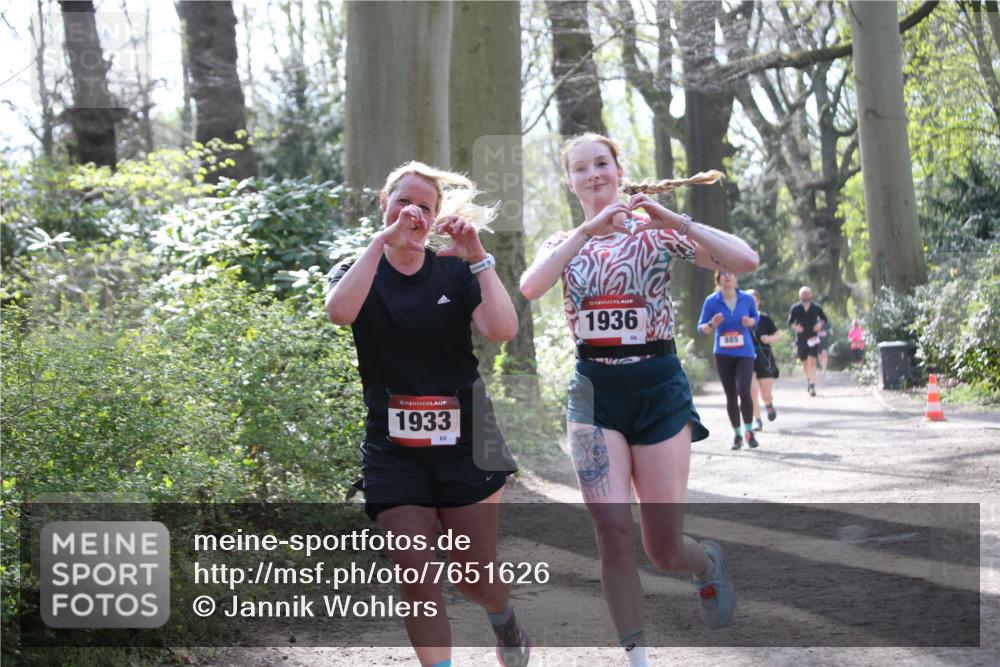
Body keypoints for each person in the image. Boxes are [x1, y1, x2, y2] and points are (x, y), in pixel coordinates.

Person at [520, 133, 758, 666]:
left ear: (618, 170)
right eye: (581, 168)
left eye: (601, 164)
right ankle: (638, 660)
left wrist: (674, 220)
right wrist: (585, 232)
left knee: (663, 549)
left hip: (657, 390)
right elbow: (532, 287)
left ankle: (705, 564)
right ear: (570, 181)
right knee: (612, 532)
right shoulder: (565, 241)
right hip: (593, 394)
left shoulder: (654, 233)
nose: (593, 175)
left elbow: (746, 260)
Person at [325, 161, 530, 667]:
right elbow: (339, 312)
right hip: (394, 448)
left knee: (473, 577)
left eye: (424, 206)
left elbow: (502, 330)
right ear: (385, 204)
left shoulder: (454, 271)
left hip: (469, 439)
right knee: (416, 576)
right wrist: (381, 243)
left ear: (436, 218)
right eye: (403, 202)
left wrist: (477, 256)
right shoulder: (358, 269)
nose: (412, 213)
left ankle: (503, 616)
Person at [697, 272, 759, 450]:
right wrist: (712, 324)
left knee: (744, 390)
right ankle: (738, 434)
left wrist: (750, 322)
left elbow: (756, 319)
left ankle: (749, 431)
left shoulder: (747, 298)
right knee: (731, 395)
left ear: (736, 278)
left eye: (731, 273)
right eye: (723, 274)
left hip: (744, 352)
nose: (727, 277)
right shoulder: (711, 301)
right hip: (723, 354)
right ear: (718, 279)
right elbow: (701, 328)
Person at [745, 289, 780, 431]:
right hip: (746, 357)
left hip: (764, 357)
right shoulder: (740, 319)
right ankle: (757, 421)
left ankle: (769, 405)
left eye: (753, 300)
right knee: (752, 391)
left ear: (758, 302)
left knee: (765, 393)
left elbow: (778, 336)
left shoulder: (765, 318)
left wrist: (769, 338)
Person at [788, 286, 827, 397]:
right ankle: (809, 380)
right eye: (803, 293)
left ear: (811, 295)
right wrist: (796, 327)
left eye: (807, 293)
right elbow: (790, 322)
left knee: (812, 360)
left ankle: (812, 386)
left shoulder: (816, 308)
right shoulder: (795, 308)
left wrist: (820, 325)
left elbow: (824, 319)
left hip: (813, 339)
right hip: (801, 339)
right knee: (805, 364)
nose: (805, 295)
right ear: (800, 295)